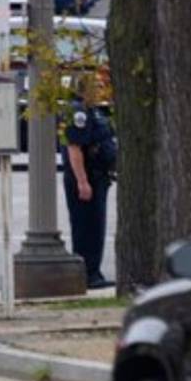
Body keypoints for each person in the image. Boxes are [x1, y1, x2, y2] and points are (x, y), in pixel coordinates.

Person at [61, 80, 118, 290]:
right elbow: (74, 149)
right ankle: (86, 274)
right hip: (87, 178)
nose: (101, 89)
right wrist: (82, 182)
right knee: (86, 228)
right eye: (98, 86)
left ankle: (94, 272)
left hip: (98, 177)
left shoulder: (93, 110)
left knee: (96, 228)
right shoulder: (77, 112)